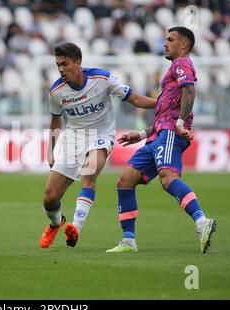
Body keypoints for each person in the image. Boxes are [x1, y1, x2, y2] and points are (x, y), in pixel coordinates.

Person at [106, 27, 217, 254]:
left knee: (167, 179)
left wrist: (179, 123)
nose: (165, 43)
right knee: (125, 181)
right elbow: (166, 111)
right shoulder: (173, 69)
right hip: (158, 135)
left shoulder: (181, 63)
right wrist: (143, 134)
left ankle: (202, 221)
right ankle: (128, 241)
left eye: (170, 40)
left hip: (170, 134)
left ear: (183, 45)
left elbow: (190, 93)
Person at [39, 42, 156, 249]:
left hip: (101, 135)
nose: (61, 69)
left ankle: (75, 227)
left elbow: (135, 99)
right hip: (73, 139)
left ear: (78, 62)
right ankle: (57, 223)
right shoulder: (57, 91)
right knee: (50, 198)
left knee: (88, 174)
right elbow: (56, 119)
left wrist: (164, 102)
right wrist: (51, 150)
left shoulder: (102, 79)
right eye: (58, 65)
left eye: (65, 64)